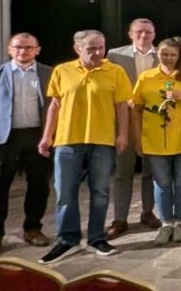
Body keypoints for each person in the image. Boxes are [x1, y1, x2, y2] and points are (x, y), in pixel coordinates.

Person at [37, 30, 132, 264]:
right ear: (77, 48)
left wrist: (122, 134)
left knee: (100, 191)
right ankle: (67, 239)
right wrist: (47, 136)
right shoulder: (62, 71)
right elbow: (55, 105)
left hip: (103, 141)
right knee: (65, 192)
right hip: (67, 140)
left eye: (101, 47)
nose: (98, 52)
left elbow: (122, 106)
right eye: (91, 48)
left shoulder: (115, 71)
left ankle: (96, 238)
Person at [0, 33, 53, 259]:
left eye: (29, 47)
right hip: (4, 139)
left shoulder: (49, 73)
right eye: (18, 47)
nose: (23, 51)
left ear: (38, 50)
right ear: (9, 49)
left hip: (38, 137)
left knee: (39, 186)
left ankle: (33, 229)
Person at [131, 37, 181, 246]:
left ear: (180, 56)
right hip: (155, 141)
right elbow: (136, 109)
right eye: (164, 54)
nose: (168, 58)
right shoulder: (146, 77)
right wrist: (137, 138)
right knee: (161, 183)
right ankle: (165, 223)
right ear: (157, 55)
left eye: (173, 55)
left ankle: (180, 221)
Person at [106, 18, 160, 237]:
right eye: (139, 32)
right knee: (123, 171)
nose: (143, 35)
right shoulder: (115, 55)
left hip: (153, 121)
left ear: (154, 34)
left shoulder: (163, 55)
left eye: (148, 32)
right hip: (125, 122)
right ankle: (120, 218)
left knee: (151, 171)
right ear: (130, 34)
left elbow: (169, 84)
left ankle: (148, 212)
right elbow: (109, 87)